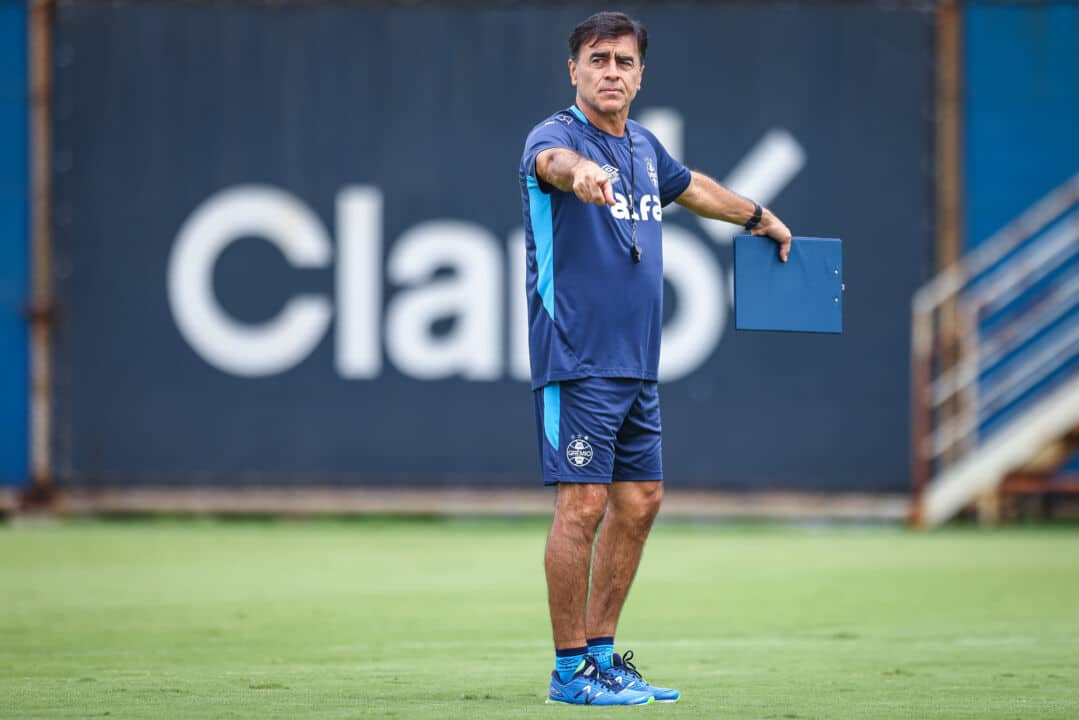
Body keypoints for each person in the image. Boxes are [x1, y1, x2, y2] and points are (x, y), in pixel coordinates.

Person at [519, 10, 793, 707]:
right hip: (578, 360)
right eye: (598, 59)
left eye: (624, 62)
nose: (611, 71)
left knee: (639, 501)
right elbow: (554, 166)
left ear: (640, 75)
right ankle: (568, 671)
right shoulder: (554, 138)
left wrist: (757, 217)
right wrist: (580, 176)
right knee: (581, 507)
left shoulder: (642, 147)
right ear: (573, 70)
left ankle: (604, 657)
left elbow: (692, 187)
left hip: (637, 364)